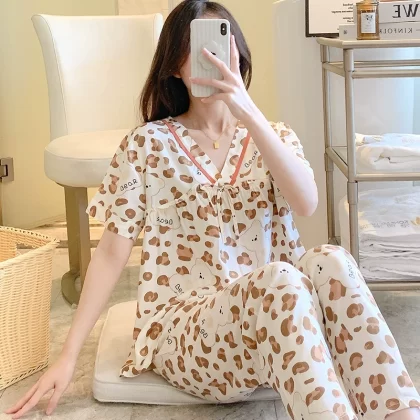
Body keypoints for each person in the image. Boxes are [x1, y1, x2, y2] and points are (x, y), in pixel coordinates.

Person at [6, 1, 420, 419]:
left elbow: (306, 203)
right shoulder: (146, 145)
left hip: (281, 321)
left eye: (222, 45)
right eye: (197, 48)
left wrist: (248, 113)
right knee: (281, 280)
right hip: (187, 331)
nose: (212, 58)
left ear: (238, 55)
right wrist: (68, 356)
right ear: (174, 66)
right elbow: (112, 253)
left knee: (332, 259)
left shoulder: (273, 135)